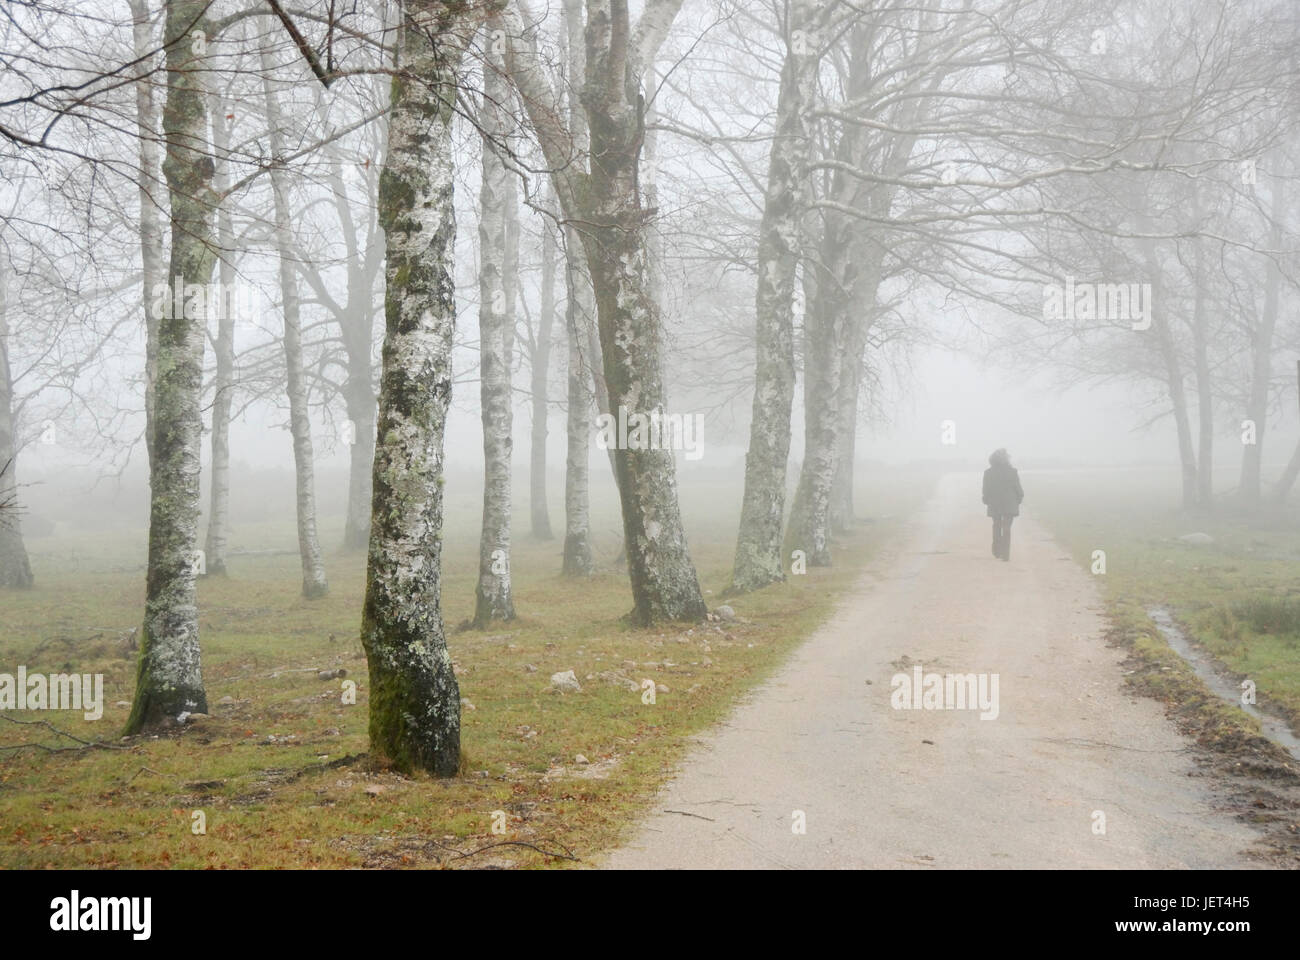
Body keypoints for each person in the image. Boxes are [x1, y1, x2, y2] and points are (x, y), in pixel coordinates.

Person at [982, 448, 1023, 561]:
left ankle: (997, 549)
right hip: (1010, 503)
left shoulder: (988, 473)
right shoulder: (1012, 471)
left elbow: (986, 489)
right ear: (1006, 460)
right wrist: (1019, 498)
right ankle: (1006, 554)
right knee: (1007, 528)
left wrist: (986, 499)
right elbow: (1018, 488)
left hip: (994, 503)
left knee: (996, 525)